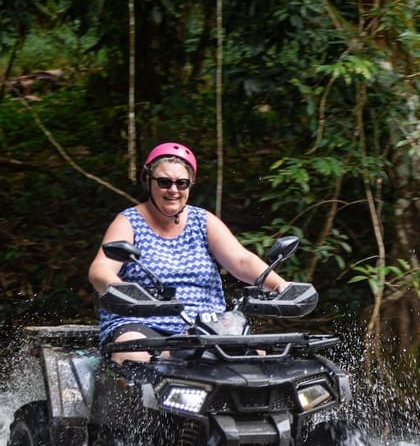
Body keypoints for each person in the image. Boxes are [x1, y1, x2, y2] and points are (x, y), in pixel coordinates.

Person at [88, 141, 290, 363]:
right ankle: (172, 361)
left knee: (259, 359)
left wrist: (281, 286)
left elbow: (241, 261)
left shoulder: (202, 220)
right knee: (133, 355)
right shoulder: (129, 221)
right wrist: (123, 291)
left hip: (205, 327)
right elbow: (101, 269)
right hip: (143, 324)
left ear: (190, 185)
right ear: (148, 181)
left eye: (181, 183)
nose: (173, 190)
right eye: (164, 182)